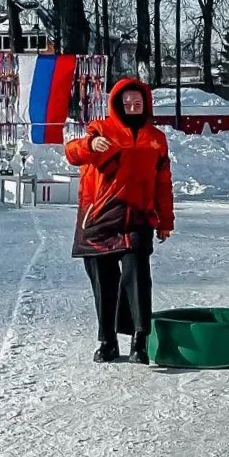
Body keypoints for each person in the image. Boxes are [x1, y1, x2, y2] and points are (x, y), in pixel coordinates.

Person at [65, 78, 174, 363]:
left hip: (138, 216)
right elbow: (72, 153)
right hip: (100, 216)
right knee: (104, 281)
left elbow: (163, 182)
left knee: (138, 276)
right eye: (127, 102)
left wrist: (166, 220)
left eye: (138, 102)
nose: (132, 106)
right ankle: (107, 341)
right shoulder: (101, 129)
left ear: (146, 104)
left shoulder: (156, 139)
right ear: (116, 103)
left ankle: (140, 340)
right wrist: (90, 143)